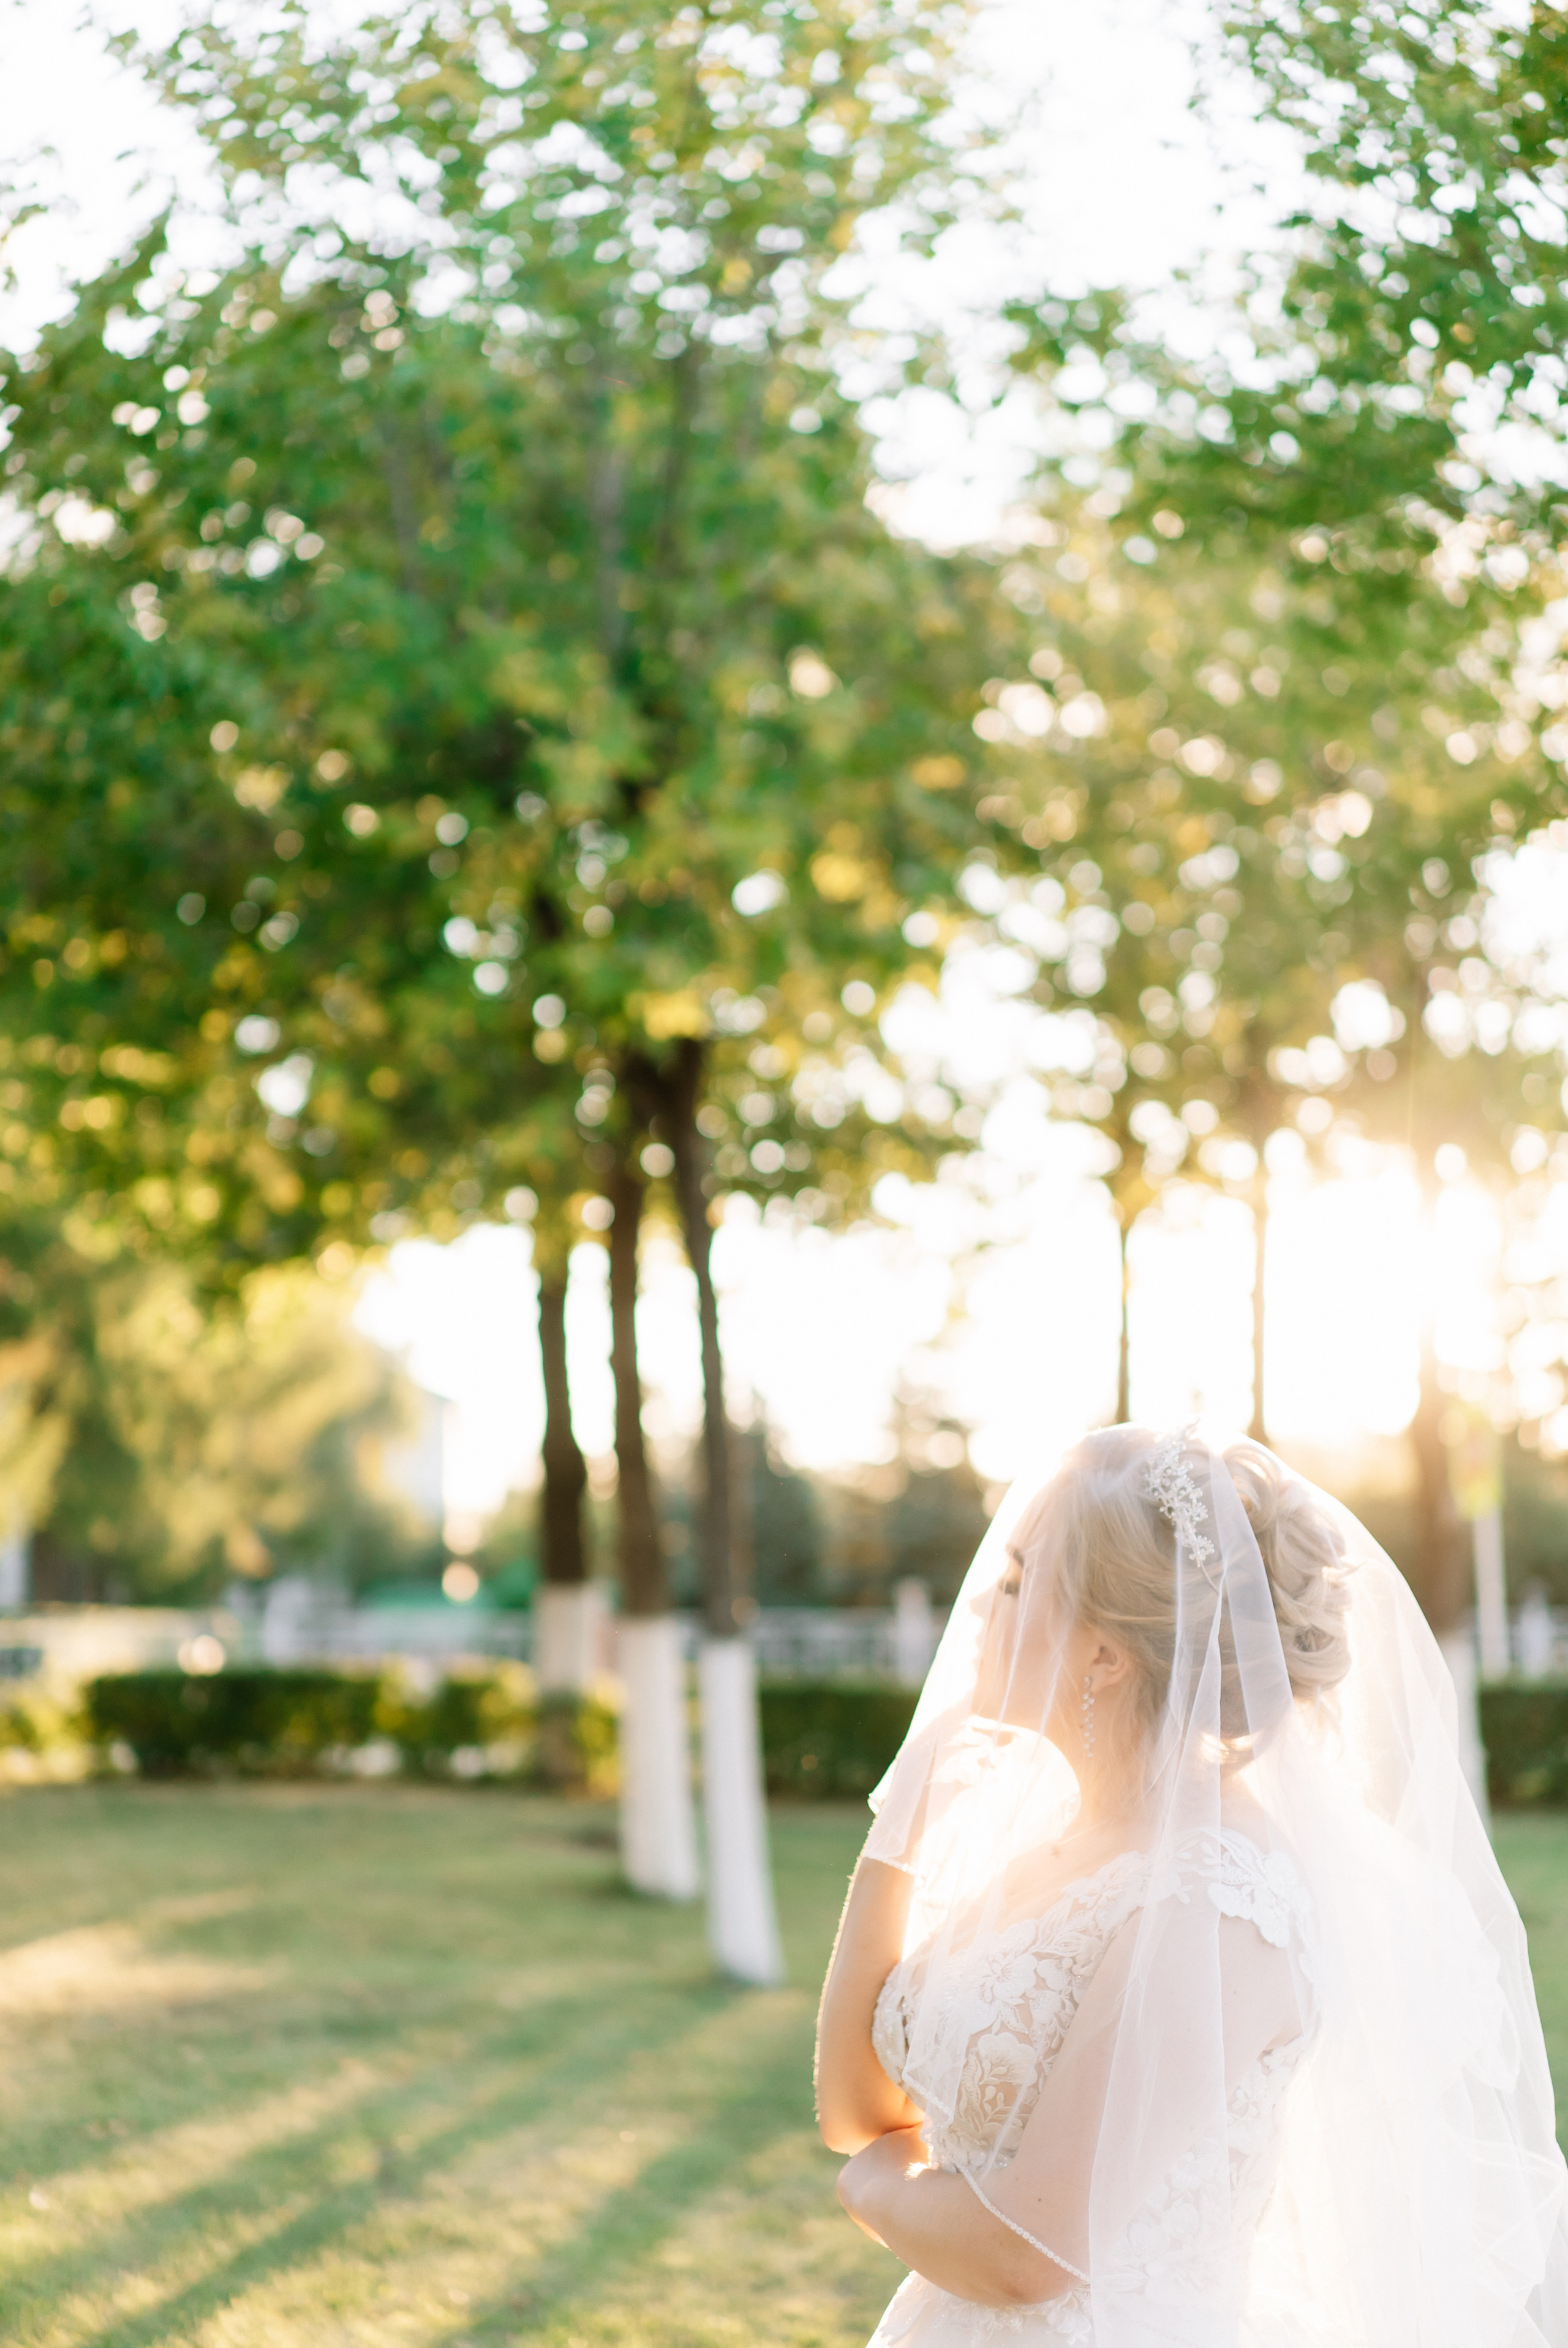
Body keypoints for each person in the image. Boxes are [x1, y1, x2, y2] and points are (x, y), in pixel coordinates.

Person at [815, 1426, 1568, 2346]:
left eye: (1014, 1583)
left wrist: (877, 2186)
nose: (979, 1608)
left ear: (1104, 1656)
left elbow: (1027, 2252)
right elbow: (858, 2108)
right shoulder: (1060, 1838)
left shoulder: (1220, 1898)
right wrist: (900, 1828)